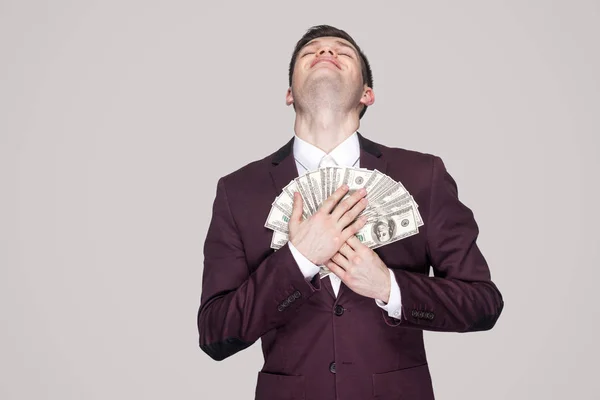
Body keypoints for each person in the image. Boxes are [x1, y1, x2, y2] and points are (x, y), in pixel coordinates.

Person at [197, 25, 504, 400]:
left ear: (367, 94)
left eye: (343, 51)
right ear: (290, 94)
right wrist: (299, 260)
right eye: (311, 51)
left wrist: (389, 287)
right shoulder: (238, 190)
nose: (326, 51)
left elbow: (483, 304)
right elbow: (215, 333)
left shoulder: (424, 175)